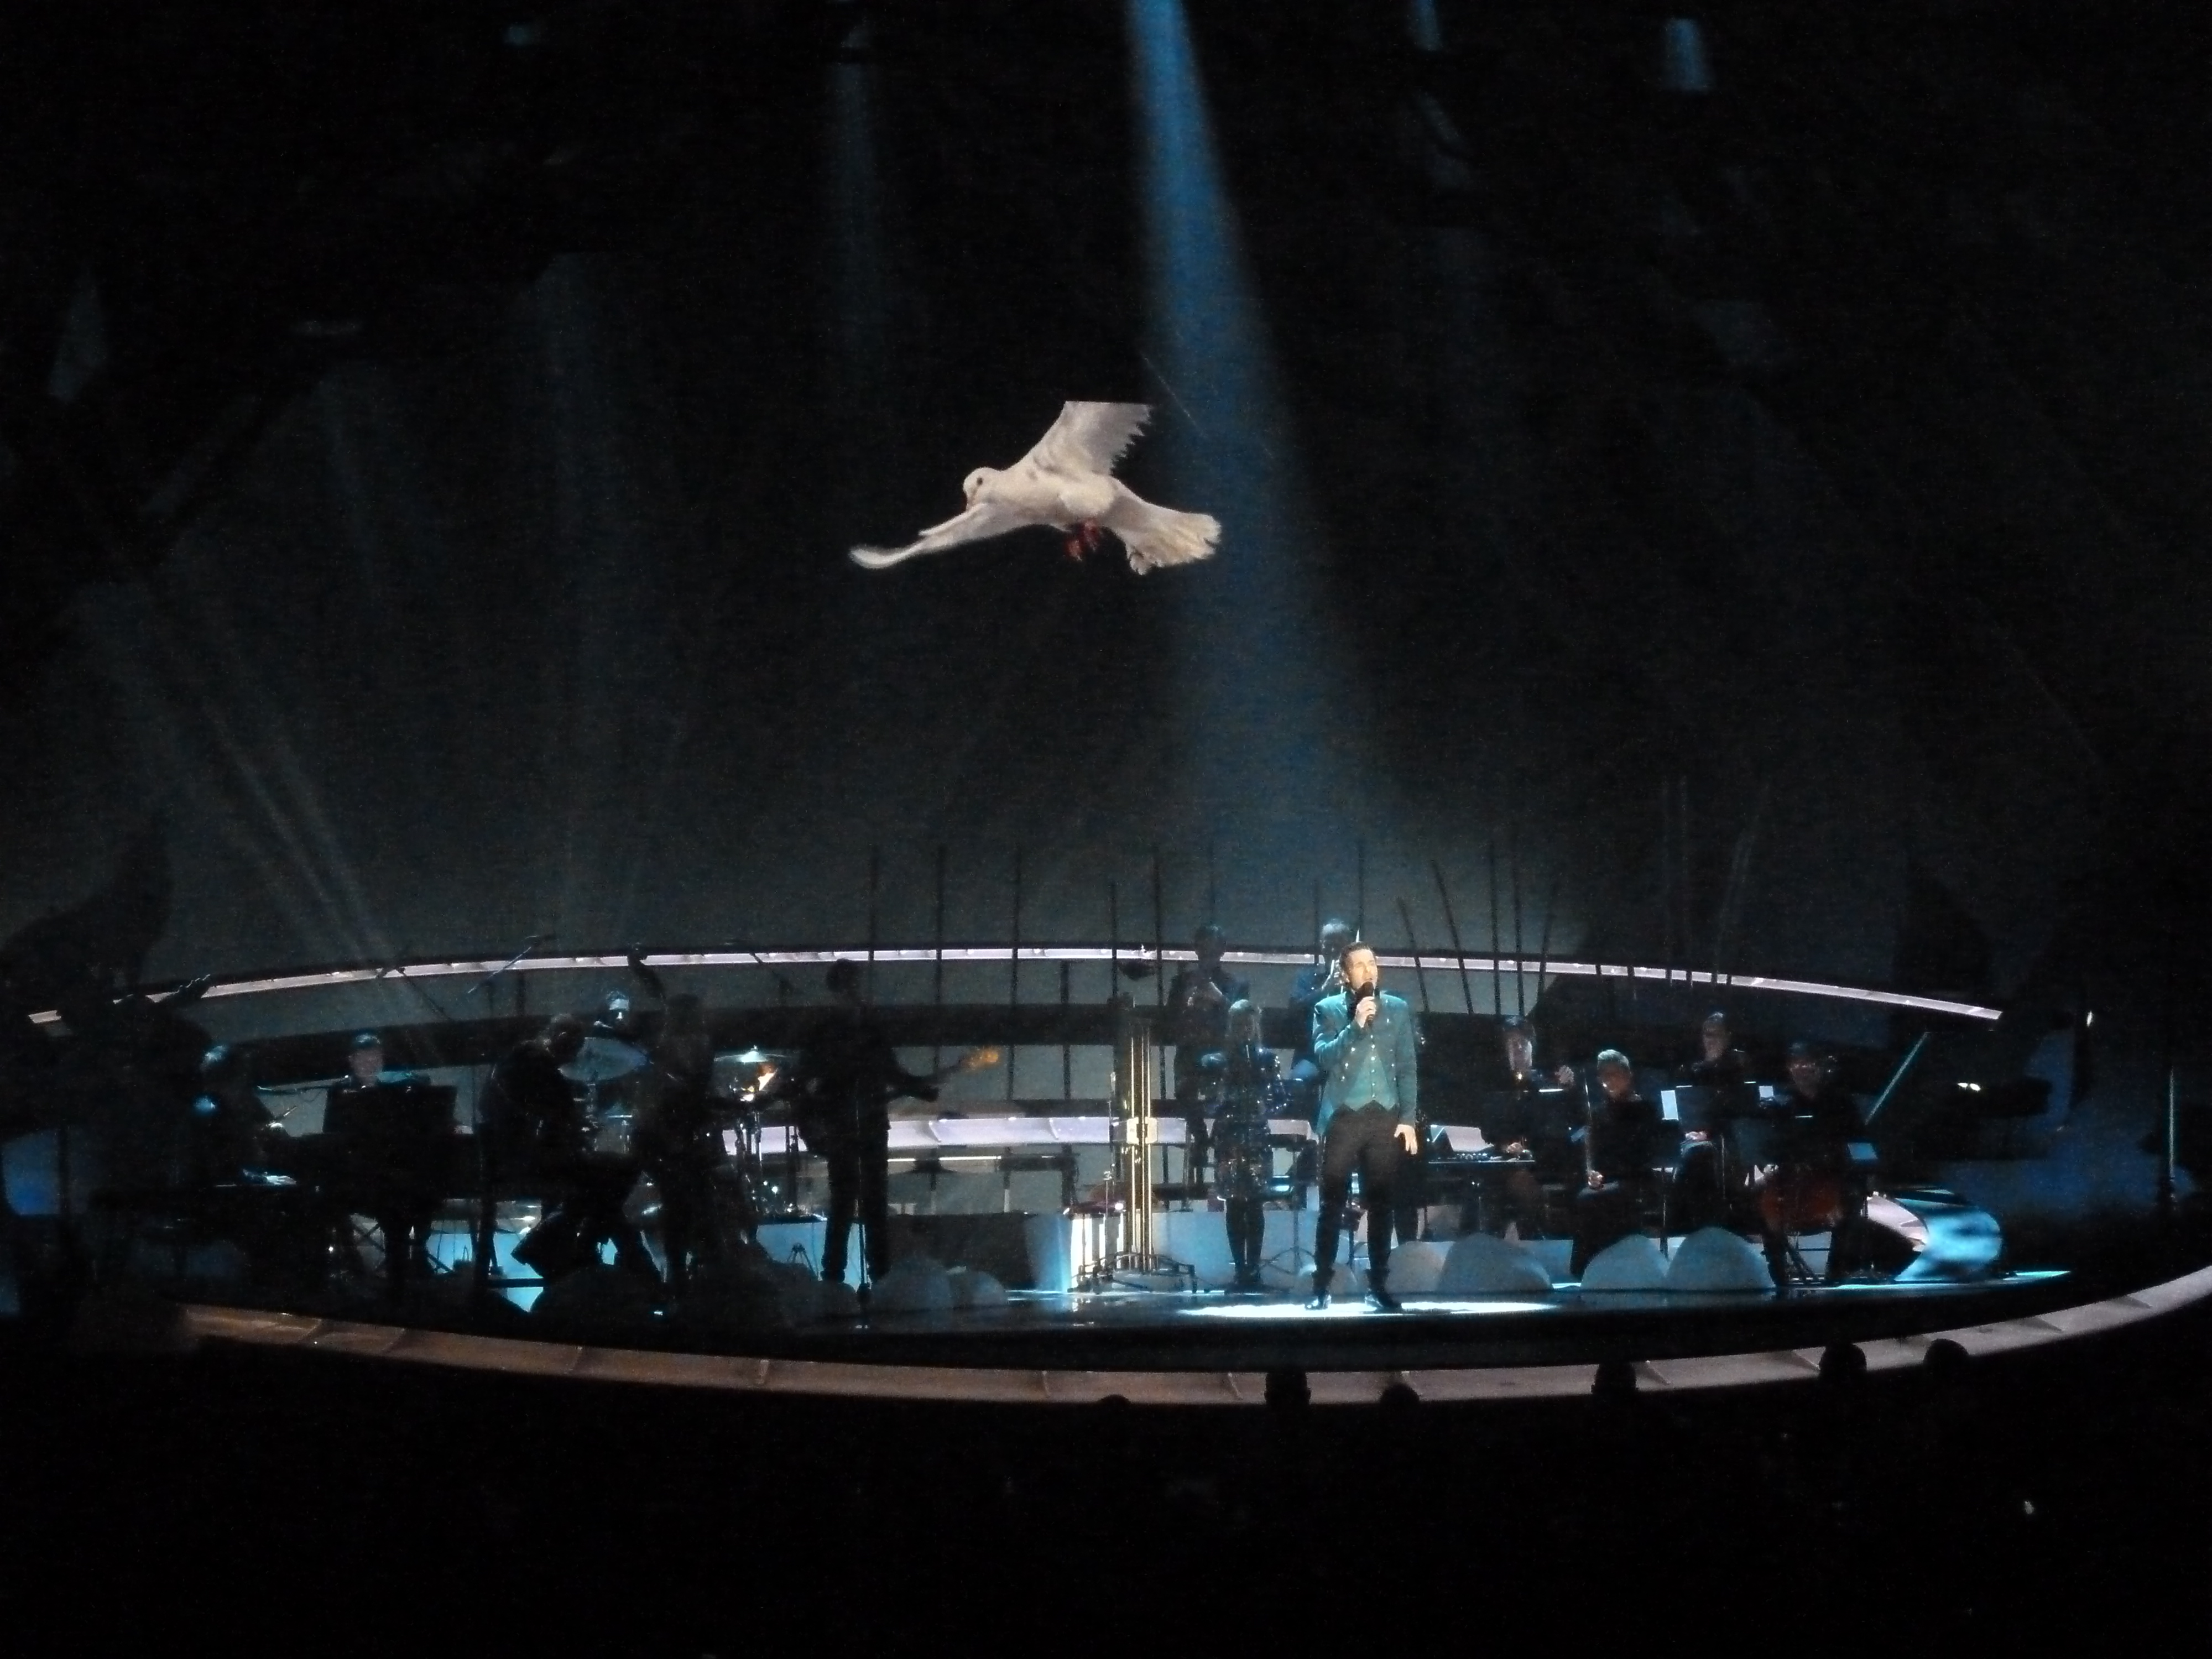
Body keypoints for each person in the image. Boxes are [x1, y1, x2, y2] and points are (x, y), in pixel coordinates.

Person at [794, 960, 939, 1288]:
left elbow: (891, 1072)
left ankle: (857, 1277)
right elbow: (807, 1078)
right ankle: (847, 1277)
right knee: (851, 1201)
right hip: (847, 1125)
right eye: (852, 984)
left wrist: (922, 1089)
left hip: (864, 1124)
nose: (857, 991)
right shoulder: (830, 1032)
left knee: (865, 1202)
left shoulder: (864, 1029)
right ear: (840, 989)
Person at [490, 1014, 659, 1285]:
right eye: (574, 1050)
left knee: (601, 1191)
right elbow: (561, 1119)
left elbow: (550, 1117)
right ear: (562, 1039)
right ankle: (606, 1254)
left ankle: (579, 1250)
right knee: (621, 1172)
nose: (574, 1059)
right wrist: (578, 1133)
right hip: (531, 1160)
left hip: (512, 1155)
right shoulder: (540, 1067)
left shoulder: (518, 1061)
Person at [1307, 943, 1421, 1311]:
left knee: (1382, 1204)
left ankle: (1379, 1286)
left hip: (1384, 1116)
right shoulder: (1328, 1009)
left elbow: (1407, 1066)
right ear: (1345, 974)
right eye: (1359, 966)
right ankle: (1321, 1286)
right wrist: (1355, 1026)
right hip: (1344, 1117)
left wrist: (1408, 1119)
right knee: (1332, 1204)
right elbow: (1323, 1058)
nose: (1368, 970)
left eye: (1372, 963)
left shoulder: (1397, 1009)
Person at [322, 1030, 442, 1296]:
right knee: (391, 1200)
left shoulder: (396, 1090)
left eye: (376, 1057)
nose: (371, 1063)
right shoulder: (341, 1091)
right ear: (352, 1060)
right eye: (364, 1058)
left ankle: (417, 1253)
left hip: (392, 1170)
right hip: (358, 1174)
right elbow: (333, 1135)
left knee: (425, 1186)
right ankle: (380, 1269)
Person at [1750, 1041, 1863, 1289]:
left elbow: (1857, 1144)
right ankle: (1777, 1271)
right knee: (1758, 1195)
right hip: (1788, 1177)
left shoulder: (1841, 1103)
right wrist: (1767, 1164)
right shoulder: (1780, 1103)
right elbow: (1763, 1143)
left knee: (1853, 1195)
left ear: (1821, 1067)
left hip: (1829, 1176)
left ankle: (1836, 1272)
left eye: (1808, 1062)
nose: (1801, 1068)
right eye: (1796, 1063)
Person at [633, 993, 725, 1293]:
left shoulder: (669, 1049)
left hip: (672, 1137)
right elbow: (673, 1098)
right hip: (670, 1137)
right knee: (687, 1204)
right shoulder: (683, 1049)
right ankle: (699, 1271)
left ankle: (684, 1273)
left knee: (683, 1205)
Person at [1474, 1015, 1580, 1239]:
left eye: (1523, 1043)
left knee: (1524, 1177)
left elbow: (1566, 1123)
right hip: (1507, 1158)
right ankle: (1493, 1236)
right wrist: (1506, 1146)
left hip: (1545, 1157)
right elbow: (1489, 1129)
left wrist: (1570, 1089)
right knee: (1493, 1175)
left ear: (1533, 1047)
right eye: (1512, 1044)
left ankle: (1538, 1232)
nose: (1519, 1048)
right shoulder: (1495, 1086)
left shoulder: (1548, 1083)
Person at [1198, 1000, 1278, 1292]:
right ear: (1231, 1027)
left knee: (1255, 1204)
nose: (1245, 1030)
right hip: (1229, 1139)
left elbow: (1280, 1098)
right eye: (1240, 1024)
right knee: (1233, 1203)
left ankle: (1254, 1270)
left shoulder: (1266, 1059)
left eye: (1249, 1024)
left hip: (1256, 1137)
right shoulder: (1216, 1062)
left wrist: (1263, 1101)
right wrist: (1224, 1093)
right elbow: (1208, 1102)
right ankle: (1241, 1270)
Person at [1569, 1050, 1667, 1277]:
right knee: (1586, 1195)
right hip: (1609, 1178)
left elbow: (1648, 1153)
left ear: (1628, 1075)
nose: (1609, 1080)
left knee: (1590, 1199)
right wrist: (1592, 1173)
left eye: (1614, 1074)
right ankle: (1592, 1266)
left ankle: (1587, 1268)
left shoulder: (1646, 1109)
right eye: (1604, 1075)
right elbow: (1593, 1154)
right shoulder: (1598, 1113)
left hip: (1638, 1177)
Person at [1673, 1011, 1752, 1234]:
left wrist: (1708, 1131)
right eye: (1707, 1034)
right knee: (1691, 1152)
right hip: (1695, 1133)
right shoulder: (1694, 1069)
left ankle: (1714, 1221)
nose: (1710, 1039)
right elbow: (1687, 1105)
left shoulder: (1739, 1066)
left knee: (1704, 1153)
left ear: (1728, 1037)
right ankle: (1693, 1221)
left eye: (1716, 1034)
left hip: (1729, 1134)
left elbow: (1737, 1107)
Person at [1285, 919, 1355, 1115]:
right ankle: (1312, 1126)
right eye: (1327, 943)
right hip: (1312, 1055)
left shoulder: (1360, 980)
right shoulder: (1306, 978)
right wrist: (1324, 990)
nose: (1332, 949)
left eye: (1338, 944)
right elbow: (1294, 1011)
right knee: (1298, 1082)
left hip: (1349, 1055)